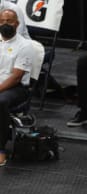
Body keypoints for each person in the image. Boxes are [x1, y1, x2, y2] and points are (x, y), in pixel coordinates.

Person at [0, 9, 33, 166]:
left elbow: (16, 77)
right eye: (3, 21)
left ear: (17, 23)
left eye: (10, 21)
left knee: (0, 102)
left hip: (16, 88)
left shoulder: (25, 45)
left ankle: (1, 149)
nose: (6, 24)